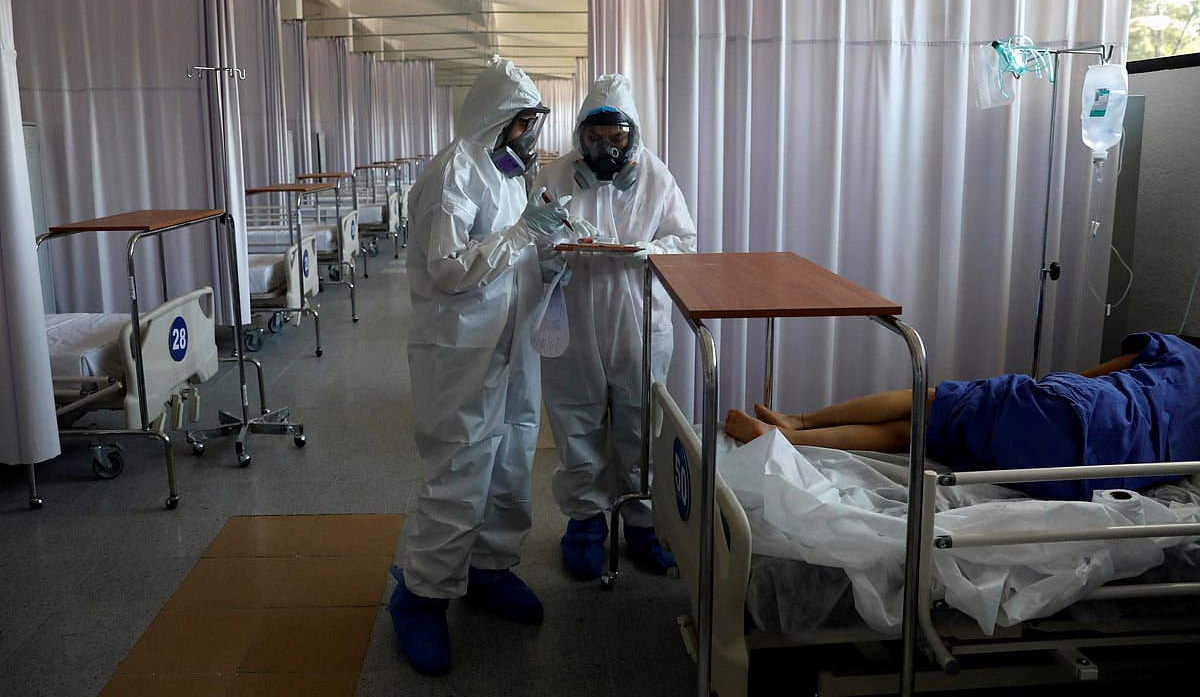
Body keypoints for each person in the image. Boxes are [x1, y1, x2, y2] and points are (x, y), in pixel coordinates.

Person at [389, 59, 571, 677]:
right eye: (525, 123)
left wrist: (554, 253)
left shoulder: (507, 174)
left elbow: (515, 254)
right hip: (461, 350)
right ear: (498, 120)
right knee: (461, 466)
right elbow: (449, 270)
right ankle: (420, 597)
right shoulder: (451, 177)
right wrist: (525, 235)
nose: (531, 136)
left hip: (510, 343)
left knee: (515, 452)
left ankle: (490, 571)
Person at [532, 73, 698, 580]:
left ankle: (643, 521)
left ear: (633, 134)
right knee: (575, 419)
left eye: (617, 136)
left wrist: (647, 253)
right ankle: (585, 522)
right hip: (574, 314)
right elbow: (530, 237)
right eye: (596, 137)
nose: (607, 147)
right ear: (581, 133)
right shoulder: (556, 175)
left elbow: (684, 242)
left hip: (637, 320)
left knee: (640, 421)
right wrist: (553, 256)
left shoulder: (655, 176)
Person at [723, 331, 1200, 501]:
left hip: (1077, 418)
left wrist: (1052, 387)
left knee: (929, 400)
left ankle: (797, 424)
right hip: (1083, 479)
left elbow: (1098, 374)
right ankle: (782, 435)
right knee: (915, 435)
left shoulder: (1179, 351)